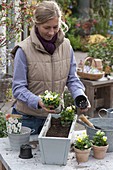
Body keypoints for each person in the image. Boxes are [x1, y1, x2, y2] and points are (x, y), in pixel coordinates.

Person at [11, 0, 90, 135]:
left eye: (55, 26)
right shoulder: (23, 50)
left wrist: (79, 96)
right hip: (27, 119)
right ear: (37, 24)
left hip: (55, 119)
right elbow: (18, 88)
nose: (51, 32)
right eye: (47, 27)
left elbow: (72, 79)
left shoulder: (66, 46)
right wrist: (37, 101)